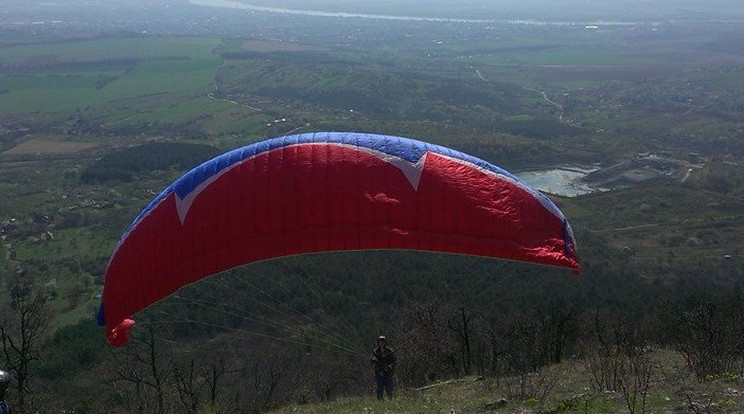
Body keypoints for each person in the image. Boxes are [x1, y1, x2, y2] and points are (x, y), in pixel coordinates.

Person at [370, 335, 396, 400]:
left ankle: (390, 400)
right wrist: (373, 360)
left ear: (385, 342)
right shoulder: (375, 351)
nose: (381, 343)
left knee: (389, 388)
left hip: (388, 373)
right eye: (380, 341)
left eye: (383, 341)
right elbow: (372, 360)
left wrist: (390, 366)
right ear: (378, 343)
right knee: (379, 388)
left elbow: (395, 361)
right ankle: (380, 402)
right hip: (379, 373)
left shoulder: (389, 351)